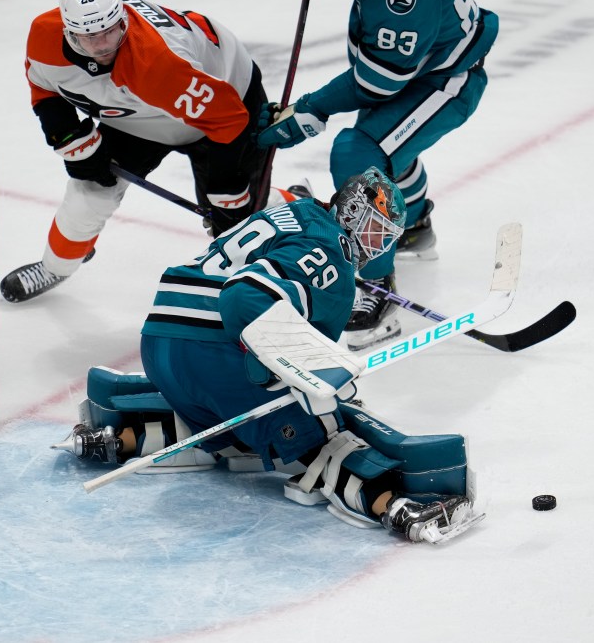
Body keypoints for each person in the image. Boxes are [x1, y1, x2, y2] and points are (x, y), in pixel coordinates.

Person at [53, 168, 481, 544]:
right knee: (324, 427)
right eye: (375, 230)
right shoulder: (332, 256)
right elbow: (244, 298)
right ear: (351, 213)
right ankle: (393, 506)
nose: (377, 245)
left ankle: (123, 437)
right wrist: (298, 374)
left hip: (161, 342)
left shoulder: (297, 212)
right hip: (213, 351)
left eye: (385, 237)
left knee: (231, 424)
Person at [256, 0, 499, 351]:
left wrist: (311, 109)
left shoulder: (408, 0)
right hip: (423, 67)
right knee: (388, 154)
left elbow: (375, 83)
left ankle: (376, 289)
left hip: (442, 82)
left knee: (358, 154)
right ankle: (415, 226)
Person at [1, 0, 281, 303]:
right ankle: (55, 267)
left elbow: (228, 120)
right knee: (88, 194)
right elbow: (43, 86)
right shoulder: (44, 35)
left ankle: (286, 203)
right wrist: (72, 141)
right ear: (68, 30)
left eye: (109, 32)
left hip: (226, 102)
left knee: (242, 216)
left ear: (122, 18)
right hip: (139, 115)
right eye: (89, 38)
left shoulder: (159, 63)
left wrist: (225, 188)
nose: (102, 46)